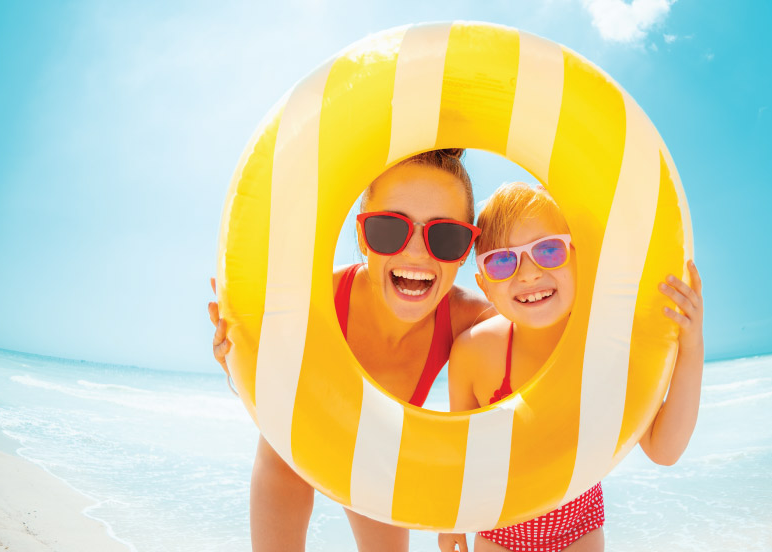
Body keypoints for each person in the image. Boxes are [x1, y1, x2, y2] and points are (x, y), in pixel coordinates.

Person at [208, 149, 495, 552]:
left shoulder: (471, 320)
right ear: (362, 236)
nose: (415, 252)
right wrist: (235, 358)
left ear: (466, 248)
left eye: (444, 236)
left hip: (373, 460)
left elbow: (541, 346)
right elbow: (259, 374)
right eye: (388, 229)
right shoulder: (312, 302)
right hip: (290, 452)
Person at [438, 183, 704, 552]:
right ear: (484, 284)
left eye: (548, 250)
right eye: (503, 261)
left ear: (579, 258)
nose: (528, 274)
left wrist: (691, 348)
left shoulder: (601, 348)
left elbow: (664, 449)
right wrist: (453, 518)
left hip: (577, 528)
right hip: (498, 530)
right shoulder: (473, 353)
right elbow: (462, 453)